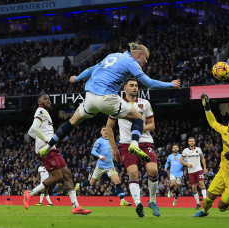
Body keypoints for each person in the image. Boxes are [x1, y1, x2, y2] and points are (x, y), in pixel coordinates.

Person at [38, 43, 181, 164]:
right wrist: (170, 84)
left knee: (73, 121)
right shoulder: (131, 62)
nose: (146, 61)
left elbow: (92, 68)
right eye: (146, 58)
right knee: (138, 117)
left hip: (90, 97)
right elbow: (149, 83)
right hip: (107, 97)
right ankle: (134, 144)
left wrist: (76, 79)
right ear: (138, 54)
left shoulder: (113, 55)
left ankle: (48, 146)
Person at [25, 94, 92, 215]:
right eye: (45, 99)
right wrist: (46, 141)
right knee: (57, 177)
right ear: (39, 101)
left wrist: (43, 140)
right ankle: (30, 193)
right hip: (46, 149)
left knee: (67, 174)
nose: (48, 101)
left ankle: (76, 206)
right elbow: (35, 128)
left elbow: (30, 131)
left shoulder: (44, 112)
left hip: (51, 149)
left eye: (49, 99)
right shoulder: (40, 110)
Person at [106, 78, 160, 217]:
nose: (135, 88)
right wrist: (113, 148)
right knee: (133, 172)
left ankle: (152, 201)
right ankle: (138, 204)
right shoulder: (117, 104)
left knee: (153, 170)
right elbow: (109, 127)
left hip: (145, 142)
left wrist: (137, 130)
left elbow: (152, 125)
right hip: (126, 144)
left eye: (136, 85)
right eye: (131, 85)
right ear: (125, 88)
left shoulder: (145, 103)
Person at [75, 126, 132, 207]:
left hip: (110, 166)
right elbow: (93, 151)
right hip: (100, 166)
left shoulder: (112, 141)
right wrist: (100, 156)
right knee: (92, 183)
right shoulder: (99, 140)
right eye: (103, 130)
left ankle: (122, 200)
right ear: (101, 132)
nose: (105, 131)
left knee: (118, 181)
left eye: (106, 130)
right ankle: (79, 185)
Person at [180, 137, 207, 210]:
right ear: (188, 142)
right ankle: (198, 203)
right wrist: (187, 164)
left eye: (193, 141)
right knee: (194, 188)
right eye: (190, 141)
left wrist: (204, 167)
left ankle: (205, 199)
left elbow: (202, 158)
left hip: (199, 170)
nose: (192, 142)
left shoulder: (198, 149)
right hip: (191, 171)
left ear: (194, 142)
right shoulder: (185, 151)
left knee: (202, 183)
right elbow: (181, 160)